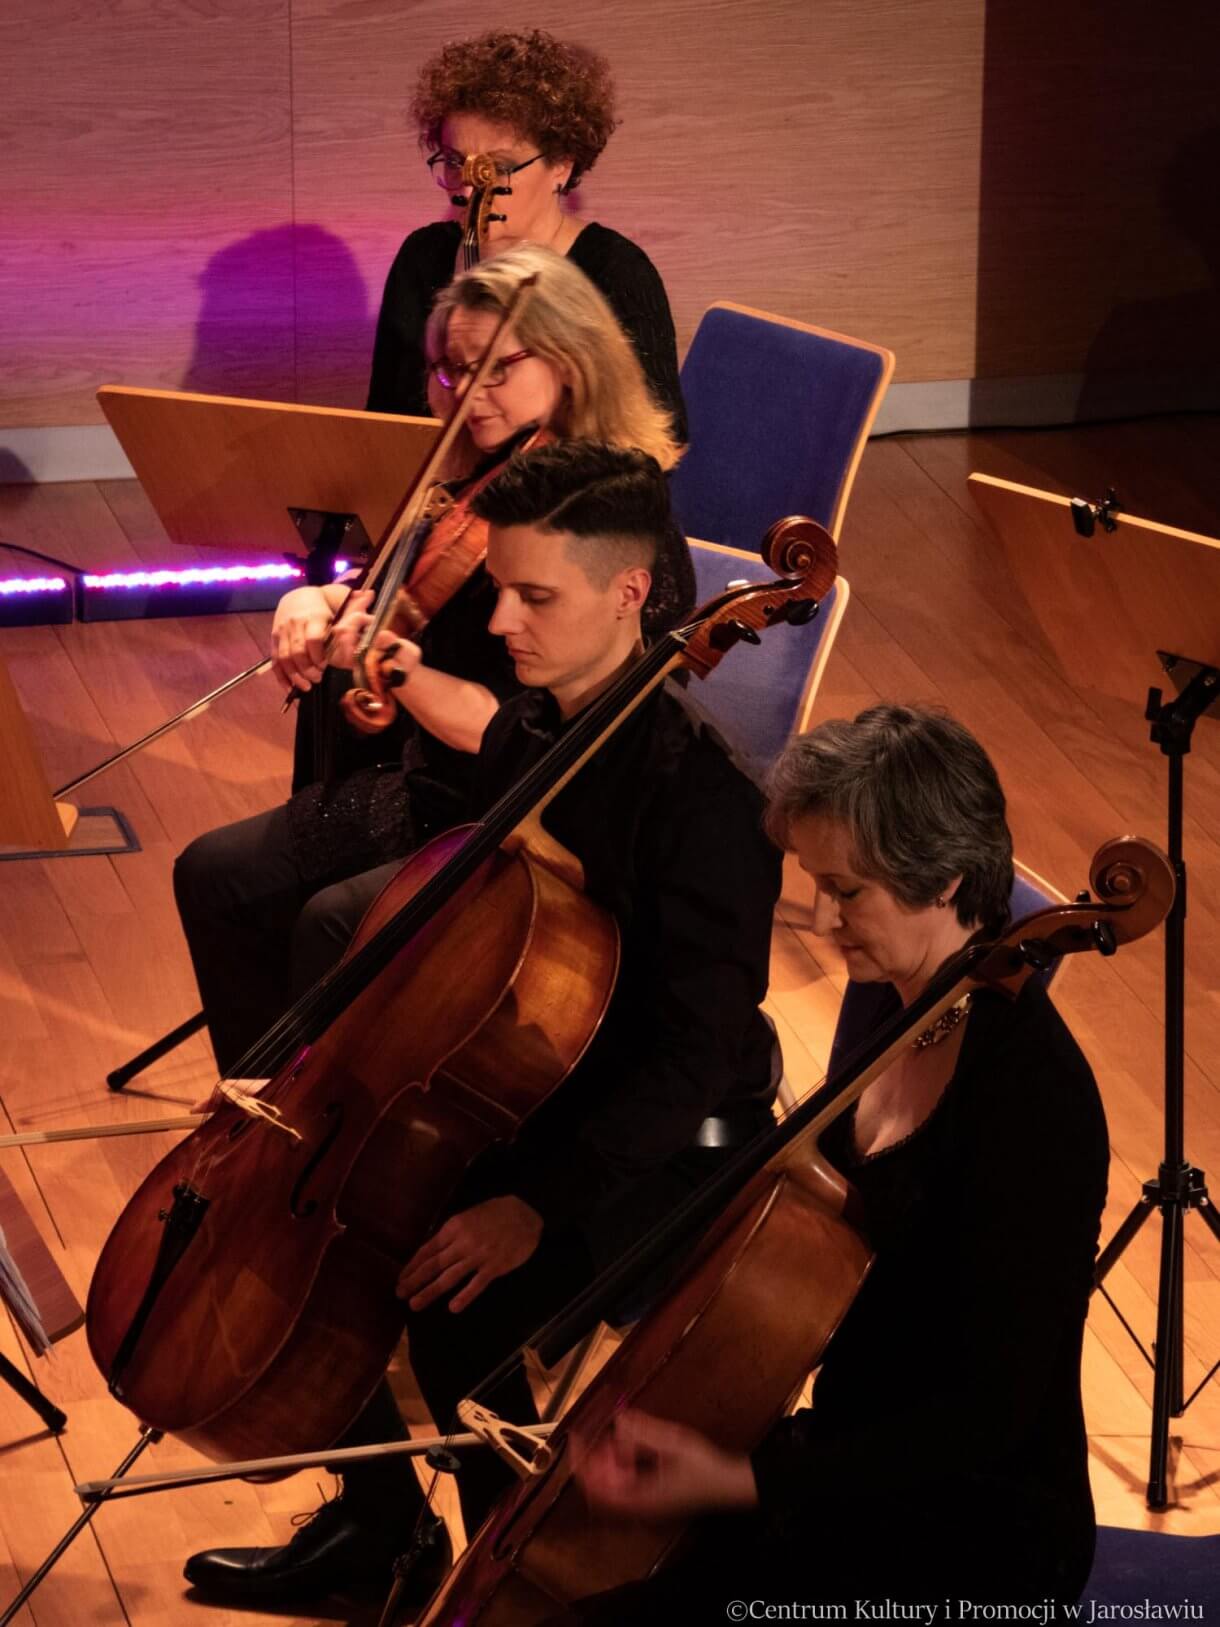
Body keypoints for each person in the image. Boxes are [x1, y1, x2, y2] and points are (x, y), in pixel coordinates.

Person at [180, 441, 783, 1611]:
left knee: (452, 1306)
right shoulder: (547, 728)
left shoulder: (701, 803)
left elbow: (696, 1054)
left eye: (534, 596)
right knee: (334, 1217)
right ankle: (385, 1533)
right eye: (499, 586)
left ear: (629, 593)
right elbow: (474, 791)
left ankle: (519, 1588)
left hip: (649, 1146)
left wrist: (539, 1201)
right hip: (527, 1092)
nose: (500, 618)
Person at [541, 704, 1109, 1620]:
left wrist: (744, 1478)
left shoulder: (1033, 1101)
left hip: (969, 1529)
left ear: (945, 880)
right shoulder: (902, 1009)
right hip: (848, 1463)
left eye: (848, 891)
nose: (826, 915)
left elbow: (985, 1413)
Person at [174, 246, 694, 1076]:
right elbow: (401, 594)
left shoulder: (612, 522)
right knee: (212, 875)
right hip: (428, 783)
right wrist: (323, 600)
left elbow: (526, 736)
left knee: (331, 921)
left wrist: (393, 665)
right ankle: (256, 1125)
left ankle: (327, 1136)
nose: (465, 393)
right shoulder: (482, 477)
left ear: (569, 360)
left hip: (527, 812)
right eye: (448, 372)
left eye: (492, 368)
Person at [366, 27, 687, 439]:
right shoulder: (422, 258)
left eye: (497, 168)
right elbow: (386, 424)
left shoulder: (615, 271)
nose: (468, 189)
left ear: (561, 165)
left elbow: (656, 443)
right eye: (455, 162)